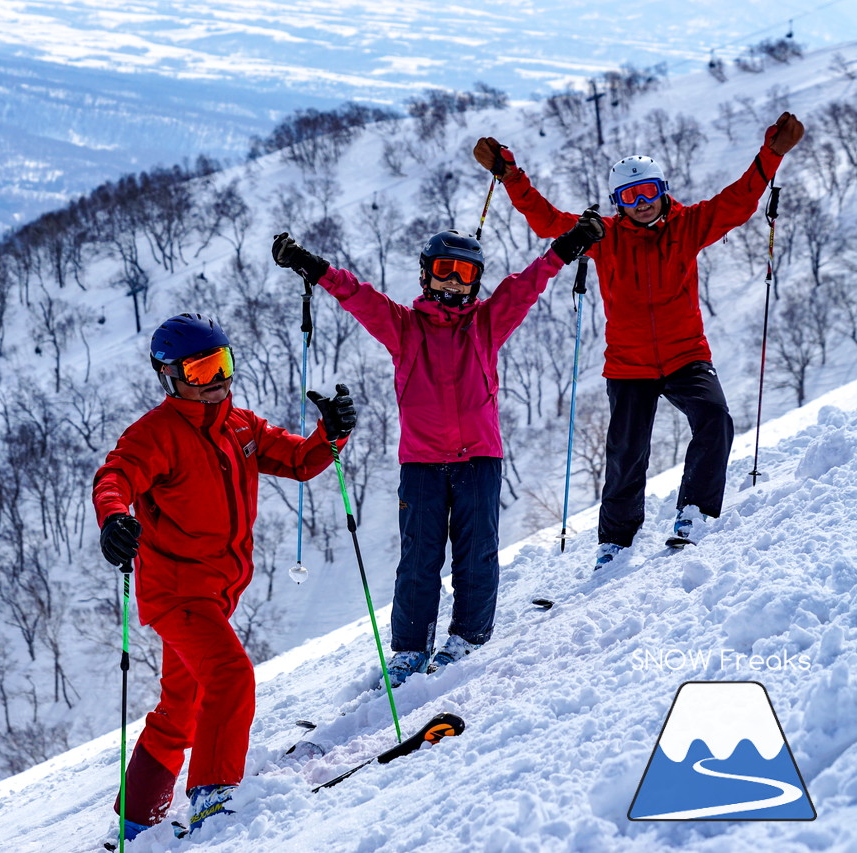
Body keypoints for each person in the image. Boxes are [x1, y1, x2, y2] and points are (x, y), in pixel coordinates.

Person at [272, 215, 602, 684]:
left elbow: (526, 286)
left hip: (479, 460)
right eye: (445, 269)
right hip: (423, 463)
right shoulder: (404, 328)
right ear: (425, 274)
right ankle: (410, 650)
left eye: (465, 273)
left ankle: (468, 638)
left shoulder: (487, 324)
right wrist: (312, 265)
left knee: (477, 552)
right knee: (419, 557)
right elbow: (357, 296)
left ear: (475, 281)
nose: (453, 279)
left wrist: (567, 247)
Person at [473, 111, 806, 568]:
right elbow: (548, 220)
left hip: (686, 354)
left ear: (662, 190)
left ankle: (694, 511)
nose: (642, 202)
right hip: (629, 364)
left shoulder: (688, 225)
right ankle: (616, 541)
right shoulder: (603, 236)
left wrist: (772, 155)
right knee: (626, 452)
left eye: (649, 190)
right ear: (617, 201)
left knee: (715, 419)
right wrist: (511, 176)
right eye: (630, 195)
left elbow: (738, 201)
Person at [92, 313, 355, 843]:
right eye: (200, 369)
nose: (215, 379)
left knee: (180, 708)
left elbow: (301, 461)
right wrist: (114, 516)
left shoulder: (242, 427)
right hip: (177, 593)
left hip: (218, 592)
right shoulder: (156, 434)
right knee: (231, 676)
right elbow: (115, 476)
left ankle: (136, 822)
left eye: (222, 364)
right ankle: (214, 796)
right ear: (170, 376)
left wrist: (333, 433)